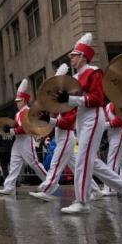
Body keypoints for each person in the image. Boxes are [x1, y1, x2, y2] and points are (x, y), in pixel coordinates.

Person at [52, 33, 122, 215]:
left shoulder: (94, 72)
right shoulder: (75, 76)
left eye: (74, 55)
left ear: (83, 56)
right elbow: (75, 101)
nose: (71, 58)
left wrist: (70, 99)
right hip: (83, 118)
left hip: (93, 117)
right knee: (91, 162)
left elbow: (97, 98)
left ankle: (82, 201)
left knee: (82, 161)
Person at [31, 64, 78, 202]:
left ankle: (48, 190)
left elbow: (67, 123)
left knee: (55, 164)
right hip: (62, 137)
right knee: (77, 167)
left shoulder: (69, 102)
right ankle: (94, 189)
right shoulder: (59, 106)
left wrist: (49, 120)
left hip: (66, 137)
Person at [0, 79, 47, 194]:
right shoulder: (17, 113)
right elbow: (16, 126)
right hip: (18, 140)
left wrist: (12, 131)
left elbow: (26, 127)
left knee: (33, 162)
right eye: (17, 101)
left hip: (26, 139)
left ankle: (49, 181)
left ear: (24, 100)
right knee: (14, 162)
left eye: (19, 101)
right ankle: (9, 186)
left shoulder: (28, 111)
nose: (17, 103)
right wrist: (8, 128)